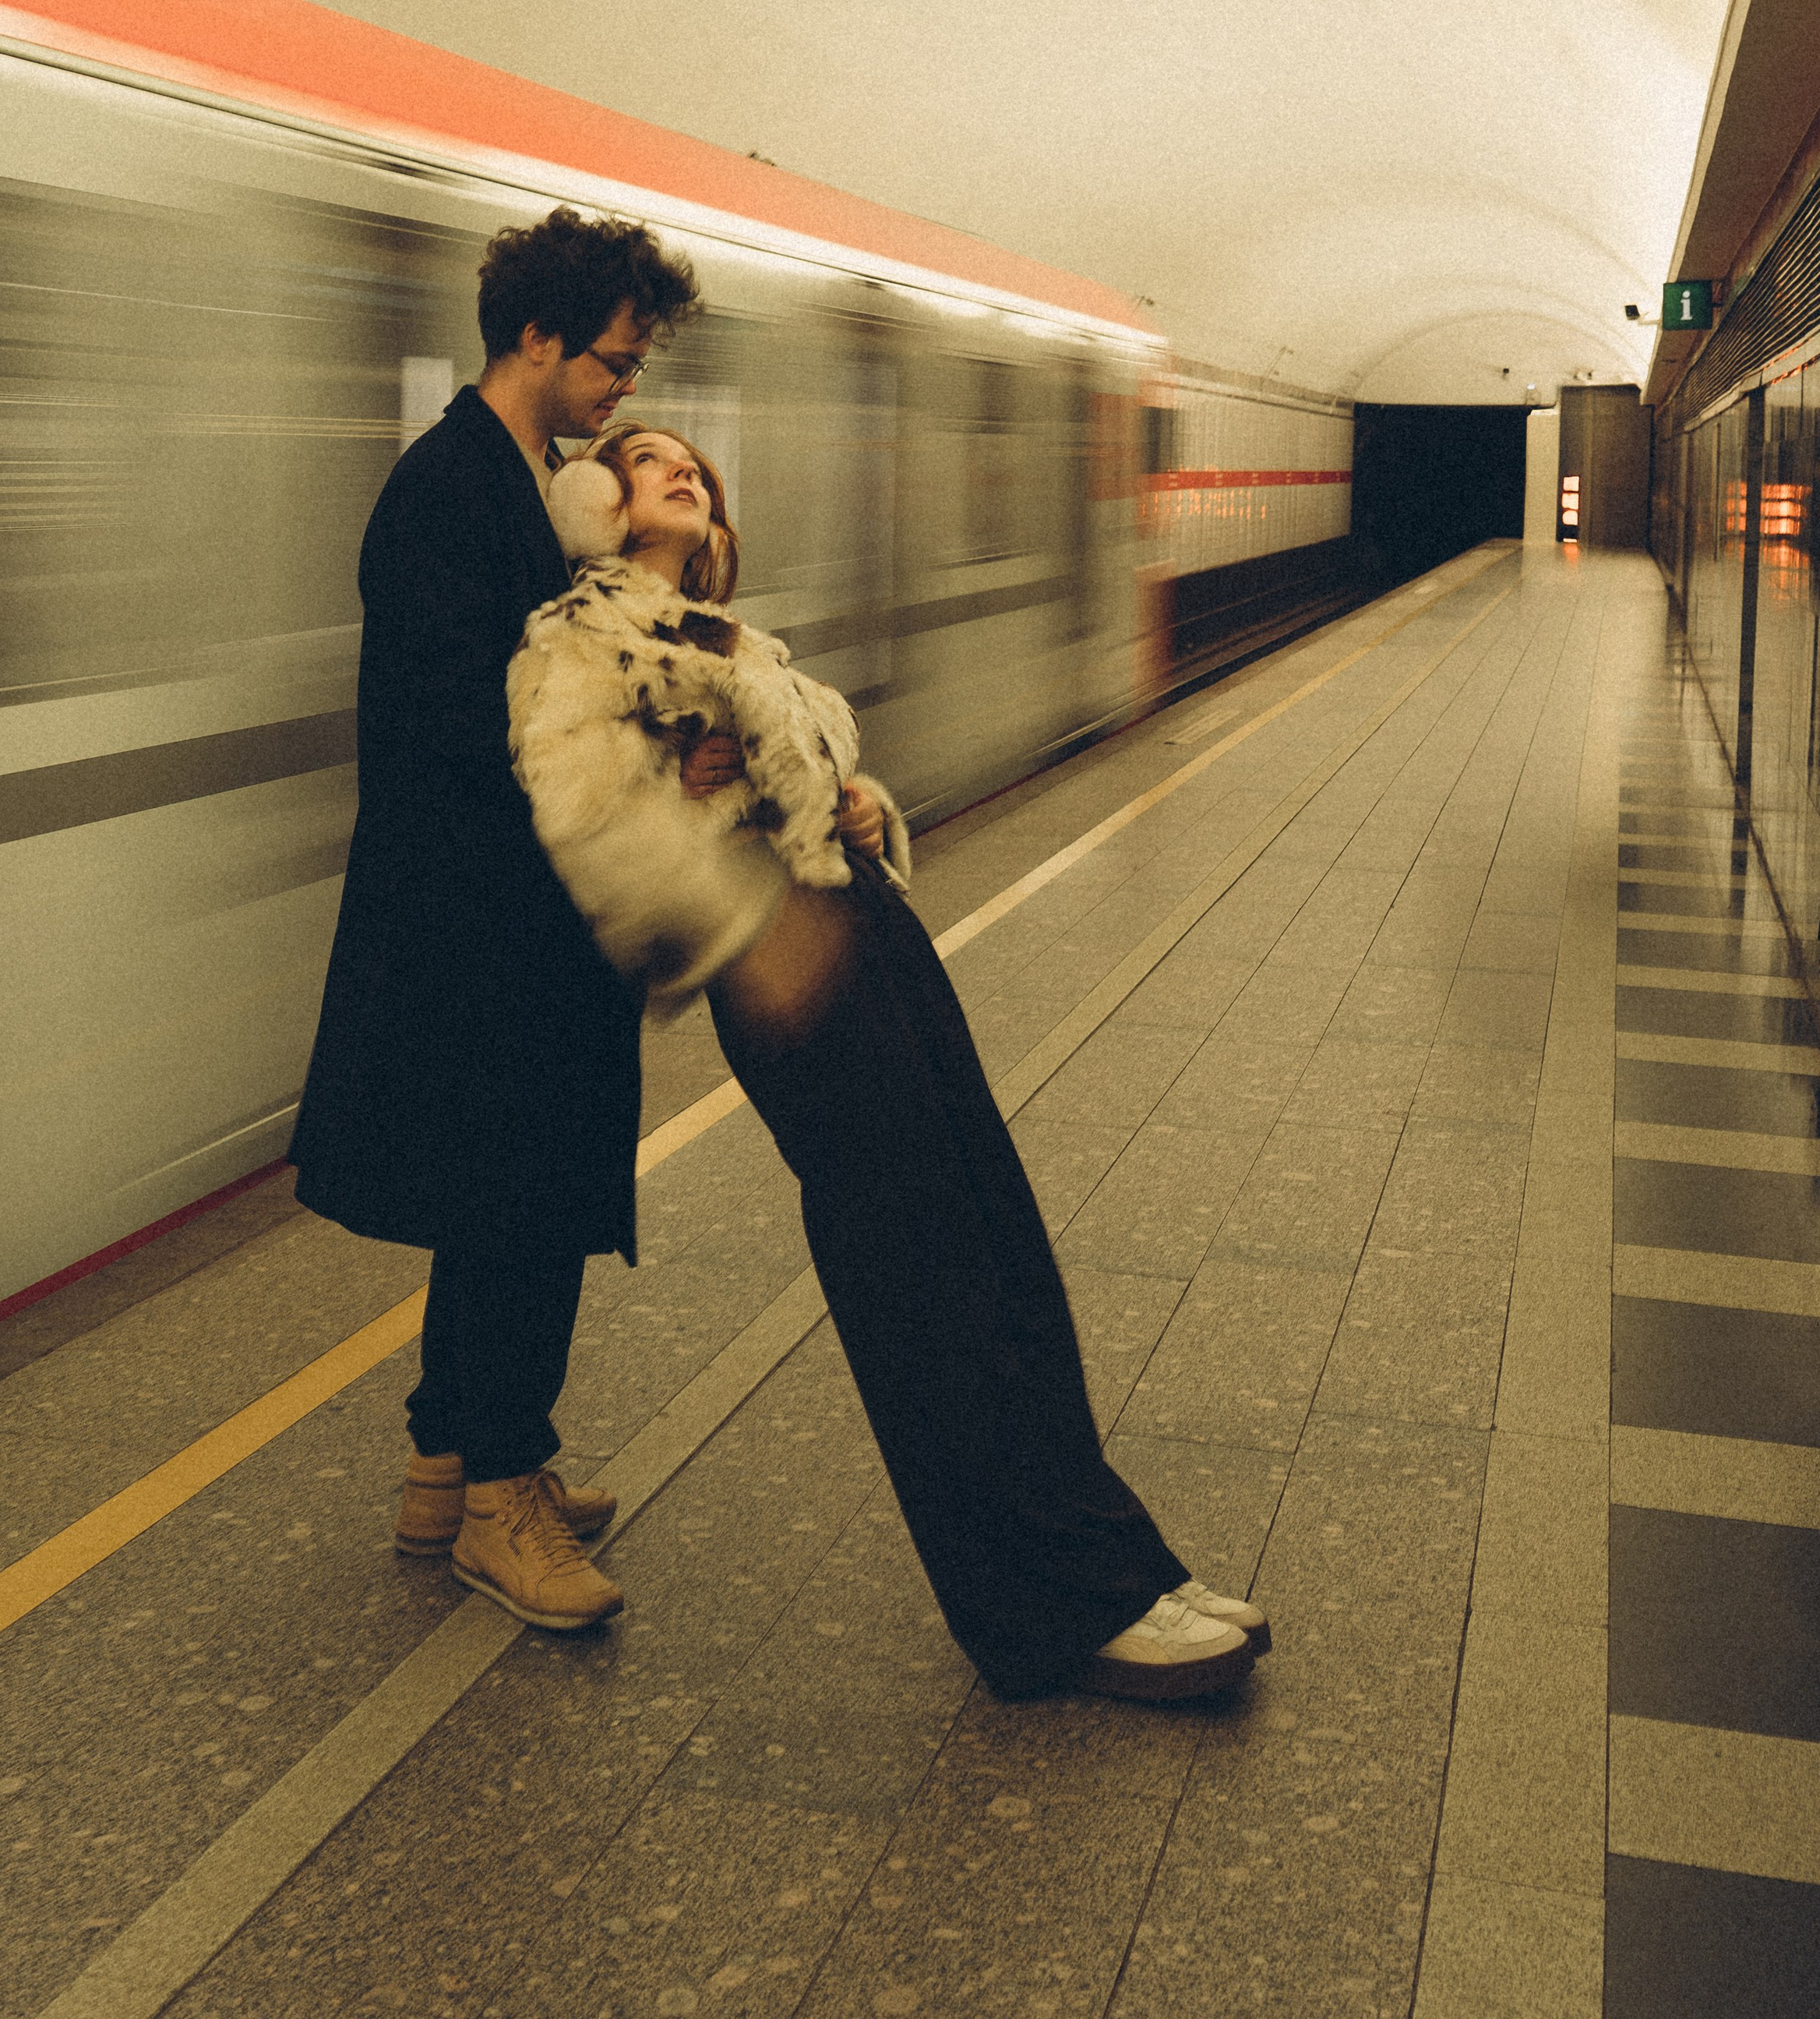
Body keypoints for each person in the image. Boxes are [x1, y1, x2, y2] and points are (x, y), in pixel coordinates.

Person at [506, 422, 1272, 1702]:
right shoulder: (577, 646)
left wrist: (860, 806)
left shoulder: (724, 638)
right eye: (643, 461)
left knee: (995, 1241)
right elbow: (588, 824)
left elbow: (808, 770)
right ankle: (1043, 1612)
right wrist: (734, 909)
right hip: (790, 962)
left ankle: (1109, 1557)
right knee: (922, 1283)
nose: (679, 468)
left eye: (693, 460)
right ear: (591, 503)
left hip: (869, 934)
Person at [290, 208, 700, 1636]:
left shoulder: (514, 479)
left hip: (505, 922)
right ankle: (502, 1504)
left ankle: (445, 1466)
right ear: (537, 334)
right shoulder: (450, 492)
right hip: (487, 932)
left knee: (494, 1204)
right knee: (525, 1205)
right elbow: (494, 721)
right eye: (615, 360)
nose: (625, 389)